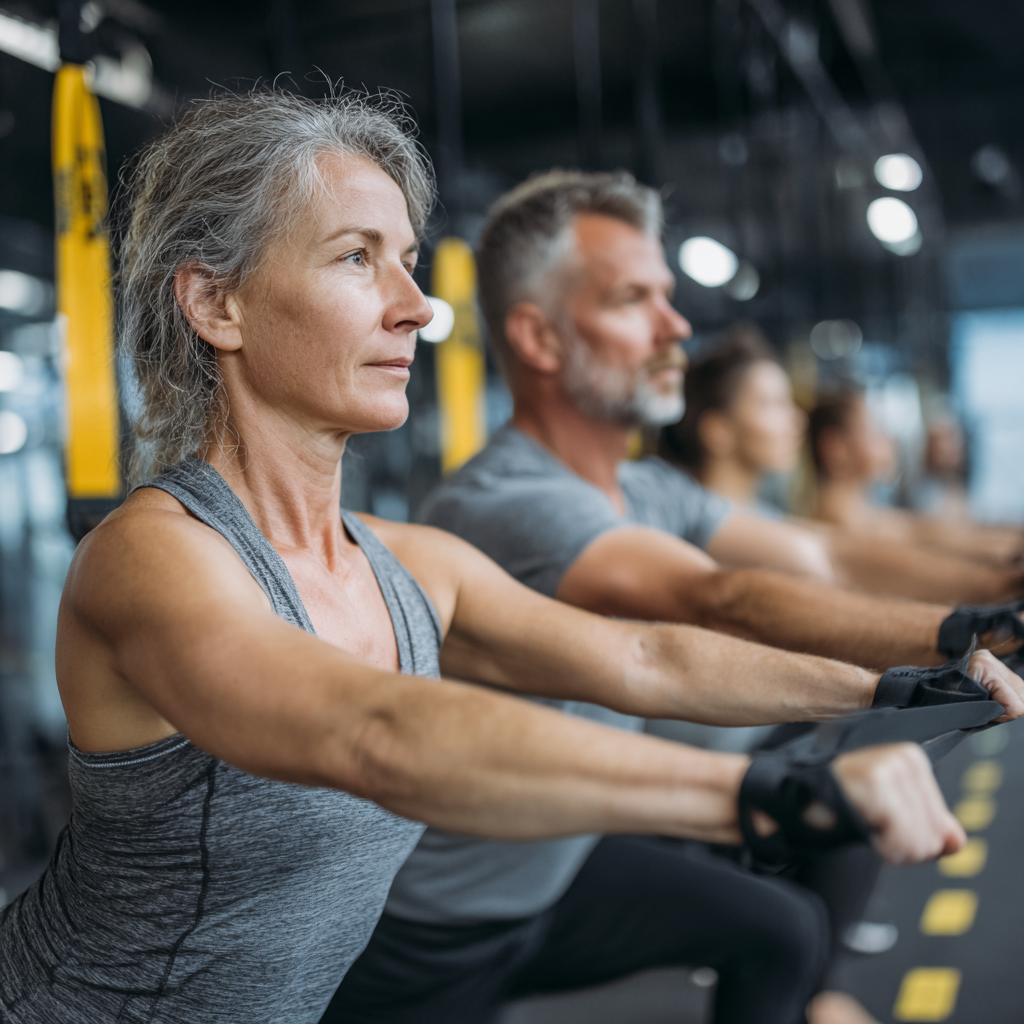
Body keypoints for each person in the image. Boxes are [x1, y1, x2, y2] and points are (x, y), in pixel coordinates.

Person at [0, 91, 984, 1024]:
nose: (416, 305)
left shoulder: (413, 565)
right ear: (218, 306)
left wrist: (910, 676)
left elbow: (649, 657)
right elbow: (373, 733)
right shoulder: (153, 556)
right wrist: (769, 797)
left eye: (409, 260)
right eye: (355, 258)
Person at [325, 169, 1023, 1024]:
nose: (676, 326)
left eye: (667, 296)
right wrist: (963, 631)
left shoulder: (650, 487)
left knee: (782, 931)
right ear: (539, 338)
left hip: (564, 868)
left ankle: (822, 999)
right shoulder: (504, 500)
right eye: (633, 300)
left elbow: (823, 553)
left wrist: (1000, 597)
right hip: (434, 928)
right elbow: (705, 604)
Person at [658, 325, 1016, 603]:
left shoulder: (766, 515)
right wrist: (997, 583)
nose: (797, 421)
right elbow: (840, 557)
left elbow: (914, 534)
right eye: (771, 404)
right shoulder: (701, 531)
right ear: (717, 430)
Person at [810, 390, 1023, 567]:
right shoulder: (840, 520)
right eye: (875, 431)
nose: (889, 440)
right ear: (835, 448)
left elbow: (926, 531)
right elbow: (927, 539)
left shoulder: (860, 512)